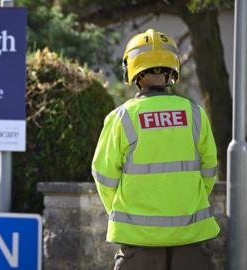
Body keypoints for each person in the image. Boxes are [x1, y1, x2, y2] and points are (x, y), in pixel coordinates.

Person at [91, 28, 219, 270]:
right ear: (172, 70)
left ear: (132, 71)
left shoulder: (123, 117)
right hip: (191, 242)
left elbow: (104, 177)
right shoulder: (195, 114)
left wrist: (124, 213)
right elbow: (209, 170)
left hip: (139, 245)